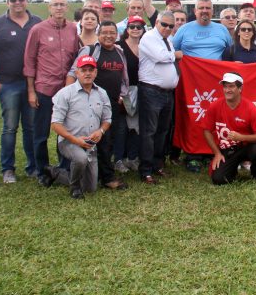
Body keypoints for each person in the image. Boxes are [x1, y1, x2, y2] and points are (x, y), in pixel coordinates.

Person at [0, 0, 42, 183]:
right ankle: (7, 168)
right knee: (10, 128)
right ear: (7, 1)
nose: (17, 3)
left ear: (27, 0)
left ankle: (33, 166)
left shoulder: (36, 22)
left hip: (32, 85)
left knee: (31, 127)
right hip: (8, 84)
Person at [66, 21, 129, 191]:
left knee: (108, 140)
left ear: (117, 35)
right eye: (104, 32)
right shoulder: (90, 50)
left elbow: (123, 77)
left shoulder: (119, 52)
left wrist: (121, 95)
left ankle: (102, 173)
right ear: (98, 34)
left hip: (112, 103)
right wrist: (70, 97)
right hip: (92, 103)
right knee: (101, 139)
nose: (108, 36)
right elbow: (73, 72)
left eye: (112, 32)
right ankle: (105, 177)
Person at [40, 55, 112, 199]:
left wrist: (101, 131)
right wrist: (75, 140)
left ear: (96, 73)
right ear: (77, 73)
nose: (87, 73)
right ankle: (74, 188)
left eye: (91, 70)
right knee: (80, 159)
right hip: (69, 142)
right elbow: (55, 124)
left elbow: (107, 119)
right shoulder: (65, 93)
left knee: (91, 187)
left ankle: (55, 172)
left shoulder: (102, 93)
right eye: (83, 70)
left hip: (91, 145)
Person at [24, 0, 81, 176]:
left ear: (67, 8)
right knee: (41, 134)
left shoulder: (73, 29)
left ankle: (63, 167)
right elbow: (29, 61)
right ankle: (42, 170)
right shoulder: (38, 30)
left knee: (65, 132)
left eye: (62, 5)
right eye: (55, 5)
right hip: (44, 89)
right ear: (49, 8)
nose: (58, 8)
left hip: (66, 90)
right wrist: (31, 91)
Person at [203, 73, 256, 185]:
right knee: (218, 179)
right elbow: (206, 130)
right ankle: (233, 169)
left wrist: (241, 137)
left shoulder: (250, 108)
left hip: (246, 147)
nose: (227, 90)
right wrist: (217, 153)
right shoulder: (215, 105)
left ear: (240, 88)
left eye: (231, 86)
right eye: (225, 86)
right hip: (227, 150)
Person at [137, 11, 179, 184]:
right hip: (151, 91)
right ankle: (145, 170)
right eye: (164, 24)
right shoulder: (148, 38)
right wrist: (176, 55)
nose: (167, 28)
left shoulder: (167, 40)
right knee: (149, 132)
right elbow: (161, 57)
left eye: (171, 26)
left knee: (162, 131)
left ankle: (157, 165)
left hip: (167, 93)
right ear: (157, 23)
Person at [116, 16, 144, 172]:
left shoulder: (146, 46)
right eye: (132, 26)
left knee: (137, 127)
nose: (135, 29)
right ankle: (118, 159)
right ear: (127, 29)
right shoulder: (118, 46)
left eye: (138, 27)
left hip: (141, 90)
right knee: (122, 127)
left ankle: (132, 158)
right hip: (124, 91)